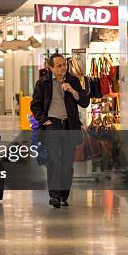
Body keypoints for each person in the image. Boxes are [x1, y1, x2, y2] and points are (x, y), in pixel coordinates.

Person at [30, 53, 89, 208]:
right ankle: (54, 195)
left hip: (69, 126)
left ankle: (64, 195)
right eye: (59, 65)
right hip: (52, 126)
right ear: (50, 68)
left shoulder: (73, 81)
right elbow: (35, 105)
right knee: (54, 161)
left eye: (64, 64)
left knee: (67, 164)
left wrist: (73, 91)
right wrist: (44, 120)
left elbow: (84, 102)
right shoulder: (42, 83)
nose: (63, 68)